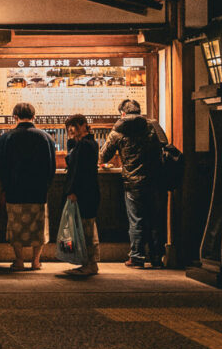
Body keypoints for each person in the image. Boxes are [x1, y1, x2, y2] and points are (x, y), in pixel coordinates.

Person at [99, 98, 167, 268]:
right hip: (156, 180)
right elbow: (164, 144)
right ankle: (157, 257)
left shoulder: (118, 130)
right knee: (155, 219)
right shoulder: (153, 125)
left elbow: (103, 156)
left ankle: (137, 256)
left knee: (137, 219)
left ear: (122, 113)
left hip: (133, 182)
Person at [0, 101, 57, 271]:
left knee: (16, 226)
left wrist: (5, 186)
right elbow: (52, 167)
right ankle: (36, 261)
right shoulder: (46, 137)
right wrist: (46, 184)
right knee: (38, 226)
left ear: (15, 117)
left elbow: (0, 166)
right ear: (34, 117)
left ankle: (19, 260)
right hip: (38, 191)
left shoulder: (5, 138)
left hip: (15, 191)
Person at [59, 113, 100, 277]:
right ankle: (88, 263)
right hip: (89, 192)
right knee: (86, 229)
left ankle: (90, 264)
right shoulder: (86, 143)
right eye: (70, 127)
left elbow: (79, 171)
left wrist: (73, 191)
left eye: (75, 126)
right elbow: (72, 162)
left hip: (84, 193)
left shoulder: (85, 145)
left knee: (86, 231)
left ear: (84, 126)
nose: (72, 130)